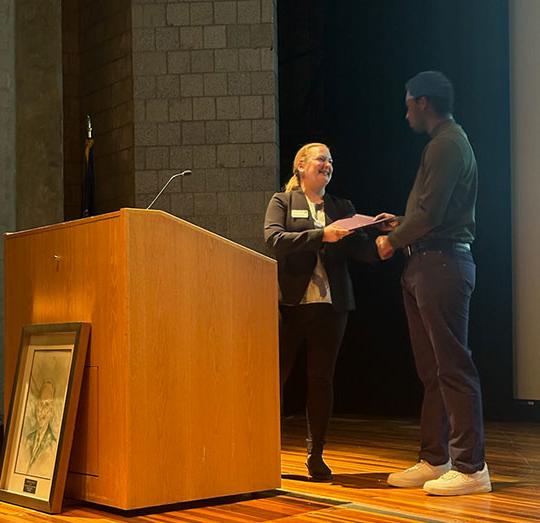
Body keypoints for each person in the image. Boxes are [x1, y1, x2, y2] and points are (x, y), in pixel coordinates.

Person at [375, 71, 491, 496]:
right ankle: (436, 458)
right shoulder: (443, 144)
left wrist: (392, 238)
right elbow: (425, 215)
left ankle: (471, 467)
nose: (406, 114)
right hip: (427, 262)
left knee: (453, 366)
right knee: (433, 371)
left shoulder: (446, 143)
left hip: (441, 263)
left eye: (408, 105)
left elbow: (433, 215)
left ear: (424, 103)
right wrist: (401, 224)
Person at [264, 142, 378, 481]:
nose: (327, 164)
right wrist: (321, 235)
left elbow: (361, 251)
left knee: (322, 381)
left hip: (332, 307)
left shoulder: (342, 206)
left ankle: (316, 456)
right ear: (301, 166)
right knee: (275, 381)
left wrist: (385, 237)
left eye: (331, 160)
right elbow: (273, 240)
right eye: (320, 159)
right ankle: (265, 452)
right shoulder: (282, 202)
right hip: (291, 306)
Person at [16, 380, 58, 478]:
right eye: (40, 404)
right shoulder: (27, 440)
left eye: (47, 405)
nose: (42, 410)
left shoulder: (53, 445)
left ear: (51, 411)